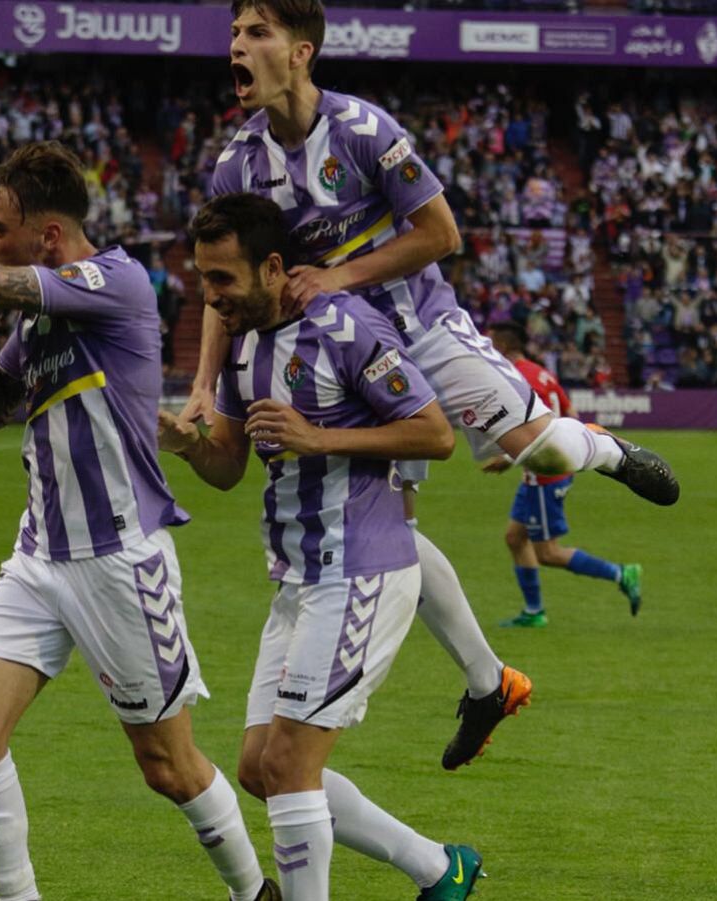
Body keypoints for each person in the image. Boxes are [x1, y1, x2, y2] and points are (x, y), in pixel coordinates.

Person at [184, 0, 628, 769]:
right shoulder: (237, 164)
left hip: (418, 322)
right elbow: (226, 285)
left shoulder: (364, 131)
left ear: (300, 52)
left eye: (256, 33)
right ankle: (489, 680)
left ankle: (615, 453)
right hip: (347, 359)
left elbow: (441, 235)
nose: (238, 47)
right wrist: (199, 382)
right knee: (391, 528)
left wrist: (336, 277)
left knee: (540, 451)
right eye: (234, 34)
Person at [0, 143, 278, 901]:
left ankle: (255, 893)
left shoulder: (117, 281)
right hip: (41, 552)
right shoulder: (35, 312)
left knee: (167, 767)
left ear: (48, 237)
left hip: (119, 557)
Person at [160, 192, 479, 901]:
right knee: (258, 765)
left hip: (362, 571)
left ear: (273, 267)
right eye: (202, 279)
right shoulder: (244, 346)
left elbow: (435, 433)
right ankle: (438, 867)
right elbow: (228, 468)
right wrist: (189, 445)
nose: (211, 298)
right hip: (299, 580)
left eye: (222, 280)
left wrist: (319, 436)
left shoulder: (347, 328)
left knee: (293, 766)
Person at [486, 323, 643, 627]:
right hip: (548, 466)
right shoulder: (539, 372)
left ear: (503, 345)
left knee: (547, 552)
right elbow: (568, 415)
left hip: (545, 474)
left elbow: (537, 429)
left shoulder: (518, 378)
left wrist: (509, 456)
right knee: (515, 537)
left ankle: (622, 574)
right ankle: (534, 612)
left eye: (490, 342)